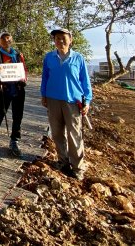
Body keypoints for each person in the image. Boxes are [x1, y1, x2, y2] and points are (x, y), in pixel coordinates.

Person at [40, 27, 93, 180]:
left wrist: (87, 101)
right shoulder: (49, 57)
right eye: (57, 38)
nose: (60, 40)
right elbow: (45, 78)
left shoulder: (78, 58)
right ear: (54, 41)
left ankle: (77, 167)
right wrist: (43, 95)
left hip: (73, 101)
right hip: (53, 99)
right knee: (57, 133)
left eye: (63, 38)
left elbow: (85, 81)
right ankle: (63, 161)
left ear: (70, 40)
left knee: (74, 134)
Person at [0, 32, 27, 158]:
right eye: (3, 38)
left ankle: (14, 141)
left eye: (8, 38)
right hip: (4, 89)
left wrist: (24, 78)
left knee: (18, 116)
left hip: (19, 88)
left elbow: (24, 70)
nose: (6, 40)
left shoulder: (18, 55)